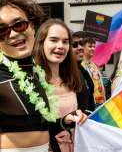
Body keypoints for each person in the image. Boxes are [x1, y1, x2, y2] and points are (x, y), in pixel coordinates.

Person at [0, 0, 86, 152]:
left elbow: (41, 125)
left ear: (32, 25)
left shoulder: (37, 72)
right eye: (1, 30)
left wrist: (65, 120)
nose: (11, 34)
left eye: (18, 25)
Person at [33, 18, 88, 152]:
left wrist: (81, 116)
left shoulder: (75, 77)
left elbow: (84, 110)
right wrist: (64, 121)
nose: (60, 46)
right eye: (54, 40)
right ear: (41, 43)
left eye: (65, 42)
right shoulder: (31, 79)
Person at [72, 32, 95, 112]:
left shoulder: (81, 69)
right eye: (75, 45)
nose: (80, 47)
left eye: (81, 44)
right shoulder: (64, 73)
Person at [81, 37, 106, 107]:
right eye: (90, 46)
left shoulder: (93, 64)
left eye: (94, 46)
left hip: (100, 102)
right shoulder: (80, 65)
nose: (93, 49)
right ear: (82, 47)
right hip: (89, 104)